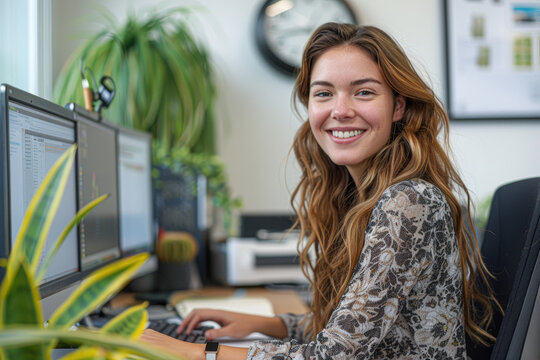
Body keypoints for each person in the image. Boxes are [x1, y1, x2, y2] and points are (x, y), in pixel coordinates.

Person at [140, 22, 499, 359]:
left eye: (364, 92)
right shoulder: (358, 197)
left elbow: (333, 356)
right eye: (324, 93)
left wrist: (187, 351)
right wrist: (269, 323)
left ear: (398, 107)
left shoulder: (408, 202)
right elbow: (351, 329)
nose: (340, 110)